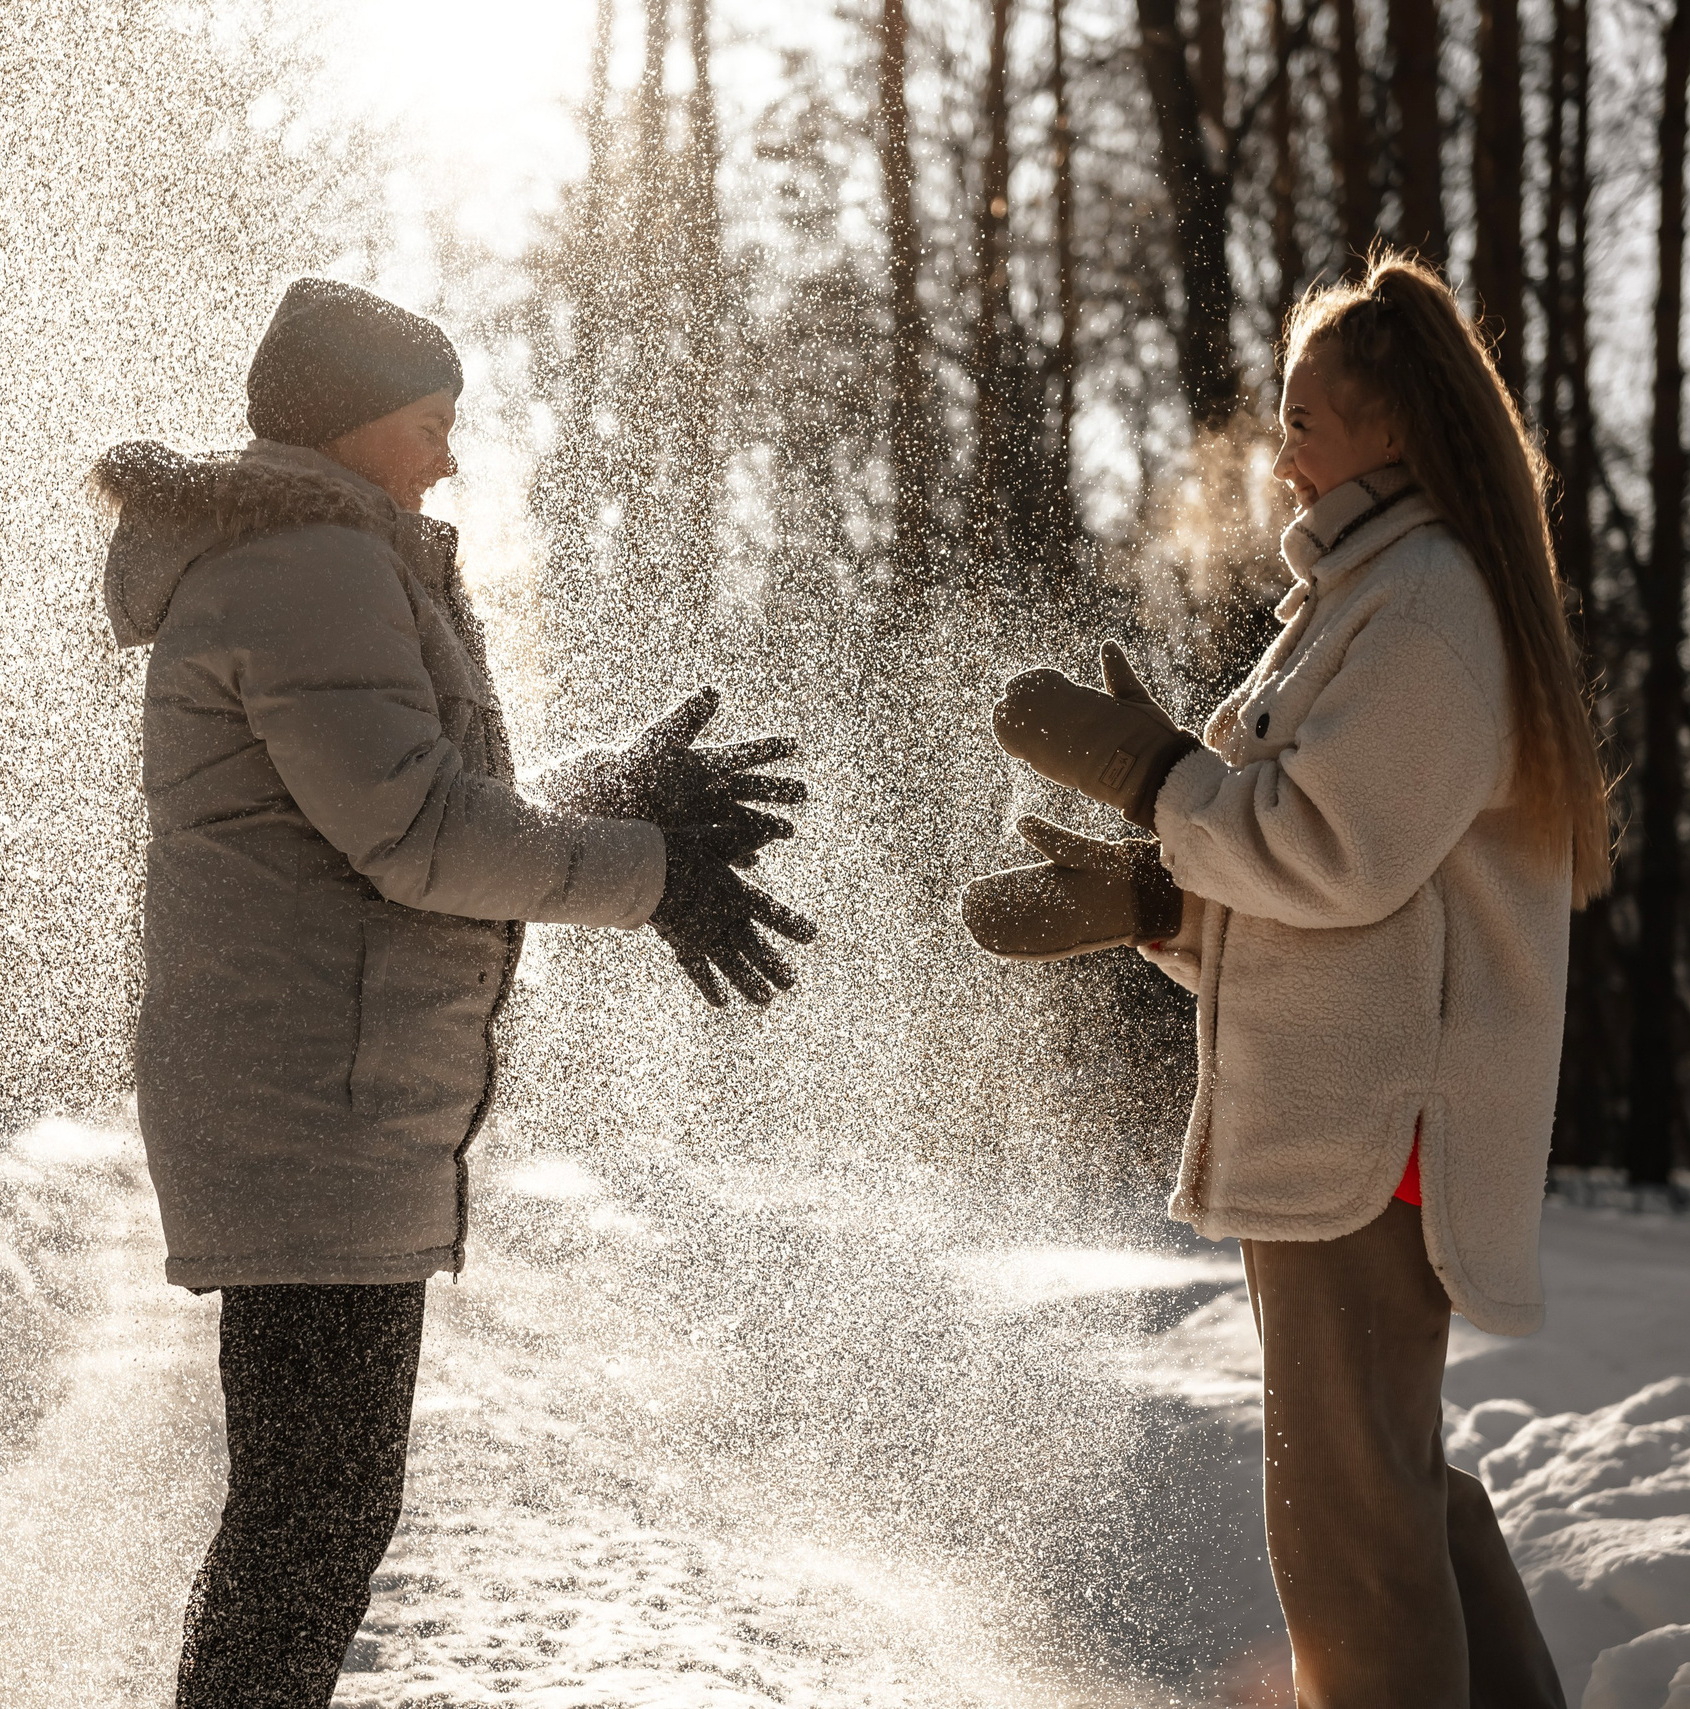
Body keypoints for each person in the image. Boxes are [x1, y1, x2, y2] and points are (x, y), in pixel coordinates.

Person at [91, 276, 815, 1709]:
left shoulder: (316, 560)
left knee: (312, 1516)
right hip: (313, 1096)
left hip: (319, 1088)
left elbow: (406, 801)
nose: (447, 457)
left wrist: (610, 792)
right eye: (428, 423)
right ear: (348, 419)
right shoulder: (311, 566)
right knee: (311, 1523)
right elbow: (420, 835)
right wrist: (652, 872)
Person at [965, 249, 1607, 1707]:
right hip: (1350, 1118)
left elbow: (1332, 851)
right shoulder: (1367, 596)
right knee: (1384, 1486)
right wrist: (1160, 900)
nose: (1283, 447)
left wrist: (1159, 778)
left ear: (1395, 424)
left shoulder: (1423, 604)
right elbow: (1343, 898)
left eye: (1307, 416)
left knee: (1350, 1526)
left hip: (1371, 1136)